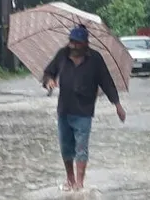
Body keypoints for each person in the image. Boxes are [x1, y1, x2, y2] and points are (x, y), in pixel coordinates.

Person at [42, 25, 126, 190]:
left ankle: (80, 183)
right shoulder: (62, 55)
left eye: (77, 43)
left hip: (84, 110)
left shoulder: (95, 59)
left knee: (81, 147)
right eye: (71, 42)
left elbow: (107, 82)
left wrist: (117, 104)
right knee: (66, 147)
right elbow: (48, 72)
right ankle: (70, 179)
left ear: (85, 44)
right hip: (64, 109)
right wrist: (49, 81)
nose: (73, 46)